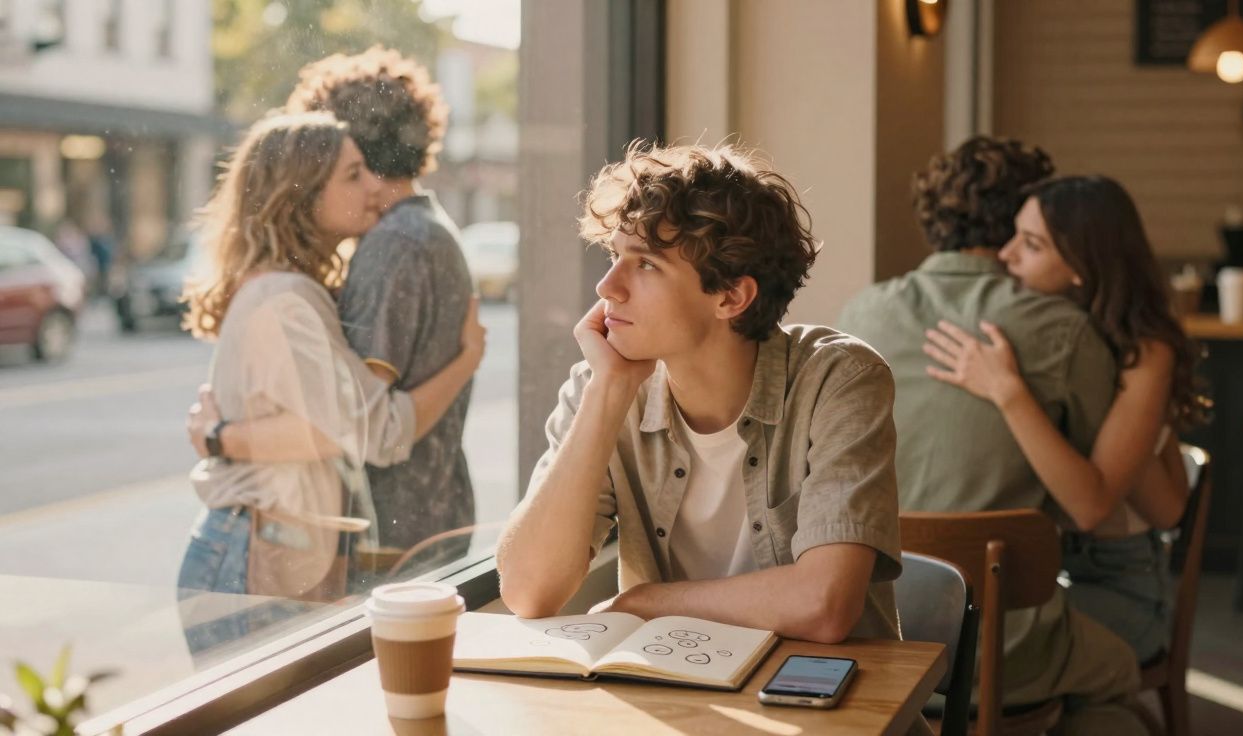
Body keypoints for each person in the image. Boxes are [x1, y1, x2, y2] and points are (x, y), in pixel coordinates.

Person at [496, 142, 908, 649]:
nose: (608, 287)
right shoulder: (600, 386)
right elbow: (527, 592)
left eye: (645, 265)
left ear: (731, 296)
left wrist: (644, 604)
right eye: (614, 256)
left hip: (829, 705)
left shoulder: (838, 380)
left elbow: (823, 606)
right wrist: (608, 393)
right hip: (684, 697)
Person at [837, 137, 1145, 734]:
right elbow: (1094, 499)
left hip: (875, 632)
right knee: (1121, 676)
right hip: (1007, 648)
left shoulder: (859, 316)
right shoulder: (1065, 330)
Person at [177, 112, 484, 623]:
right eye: (352, 175)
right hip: (252, 555)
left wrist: (220, 436)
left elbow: (325, 430)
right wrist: (467, 359)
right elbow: (379, 432)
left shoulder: (284, 290)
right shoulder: (286, 301)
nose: (372, 186)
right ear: (301, 193)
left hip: (257, 548)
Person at [920, 175, 1204, 664]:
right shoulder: (1041, 330)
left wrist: (1007, 392)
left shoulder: (1144, 352)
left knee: (976, 653)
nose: (1005, 255)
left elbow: (1108, 509)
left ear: (1081, 266)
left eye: (1030, 245)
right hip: (1044, 571)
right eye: (1014, 235)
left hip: (1117, 582)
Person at [283, 47, 480, 569]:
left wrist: (225, 437)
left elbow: (361, 422)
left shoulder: (394, 245)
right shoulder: (429, 228)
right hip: (431, 516)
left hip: (393, 535)